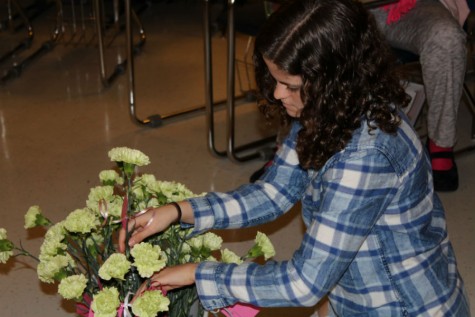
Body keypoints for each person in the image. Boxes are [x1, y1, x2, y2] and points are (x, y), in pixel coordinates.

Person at [119, 0, 470, 315]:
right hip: (360, 295)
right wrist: (180, 211)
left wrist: (200, 274)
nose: (276, 93)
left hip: (403, 307)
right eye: (275, 80)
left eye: (289, 85)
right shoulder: (332, 105)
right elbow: (274, 192)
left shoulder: (367, 155)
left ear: (332, 79)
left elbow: (304, 284)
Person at [370, 0, 469, 193]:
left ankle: (441, 143)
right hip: (348, 8)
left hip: (415, 6)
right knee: (320, 31)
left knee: (446, 38)